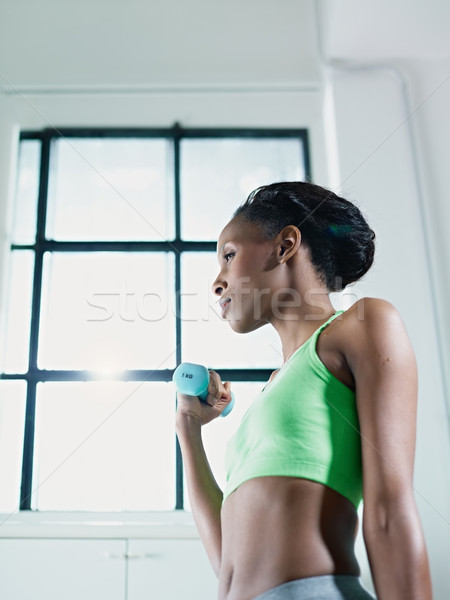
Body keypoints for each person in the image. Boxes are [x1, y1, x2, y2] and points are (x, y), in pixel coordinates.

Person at [176, 181, 432, 600]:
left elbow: (389, 512)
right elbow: (228, 565)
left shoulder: (365, 324)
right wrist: (188, 429)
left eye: (228, 255)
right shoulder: (272, 391)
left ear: (285, 245)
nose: (216, 283)